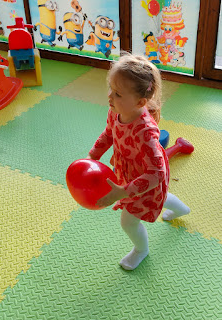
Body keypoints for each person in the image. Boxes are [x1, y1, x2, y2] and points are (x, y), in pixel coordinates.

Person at [87, 53, 190, 271]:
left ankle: (141, 250)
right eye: (110, 90)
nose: (109, 97)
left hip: (145, 179)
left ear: (140, 102)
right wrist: (92, 157)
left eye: (117, 93)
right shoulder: (115, 111)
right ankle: (181, 208)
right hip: (129, 173)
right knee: (159, 200)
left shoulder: (145, 131)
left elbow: (156, 174)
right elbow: (108, 134)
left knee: (128, 221)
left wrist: (122, 192)